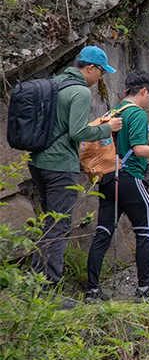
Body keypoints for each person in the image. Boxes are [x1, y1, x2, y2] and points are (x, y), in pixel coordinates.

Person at [85, 71, 149, 302]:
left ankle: (91, 289)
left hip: (108, 177)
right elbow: (140, 149)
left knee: (103, 232)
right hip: (130, 176)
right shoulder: (137, 114)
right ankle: (145, 287)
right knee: (144, 230)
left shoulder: (114, 113)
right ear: (143, 90)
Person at [28, 46, 122, 299]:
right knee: (59, 225)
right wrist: (107, 128)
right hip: (60, 166)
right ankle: (48, 292)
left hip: (37, 161)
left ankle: (33, 287)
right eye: (100, 72)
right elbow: (78, 133)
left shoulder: (54, 83)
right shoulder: (80, 91)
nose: (99, 79)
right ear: (90, 68)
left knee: (48, 222)